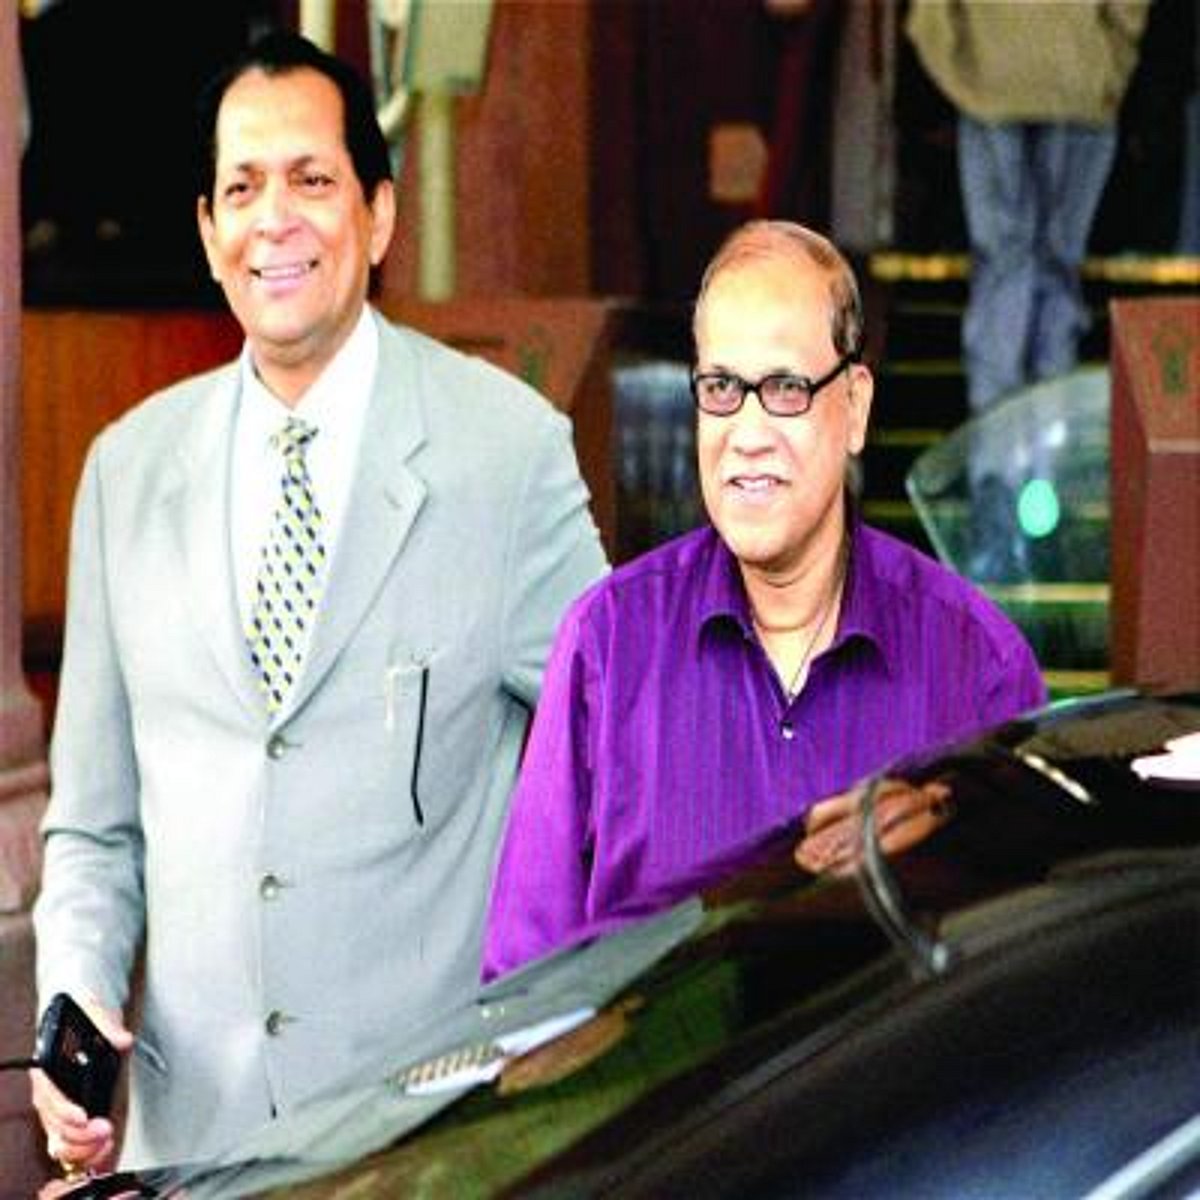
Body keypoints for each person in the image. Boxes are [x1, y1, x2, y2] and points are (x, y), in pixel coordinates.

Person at [31, 30, 606, 1174]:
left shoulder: (506, 454)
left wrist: (554, 1023)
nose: (274, 219)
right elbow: (95, 829)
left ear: (379, 216)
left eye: (312, 180)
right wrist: (75, 1002)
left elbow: (619, 771)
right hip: (192, 1148)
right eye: (241, 188)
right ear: (206, 232)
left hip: (433, 1148)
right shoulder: (125, 472)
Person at [482, 220, 1046, 981]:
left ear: (855, 407)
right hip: (668, 1095)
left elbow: (1029, 972)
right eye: (721, 389)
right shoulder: (609, 644)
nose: (746, 433)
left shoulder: (975, 660)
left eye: (784, 390)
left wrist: (941, 832)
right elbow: (525, 981)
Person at [905, 0, 1151, 413]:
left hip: (994, 86)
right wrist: (1110, 69)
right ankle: (1051, 436)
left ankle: (995, 443)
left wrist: (960, 77)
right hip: (1079, 80)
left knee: (1002, 262)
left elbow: (928, 17)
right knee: (1058, 262)